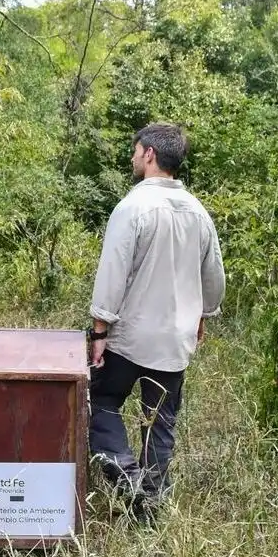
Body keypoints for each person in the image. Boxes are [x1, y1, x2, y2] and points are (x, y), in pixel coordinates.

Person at [87, 122, 225, 525]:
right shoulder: (199, 213)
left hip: (130, 337)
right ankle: (150, 510)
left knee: (102, 403)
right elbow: (213, 277)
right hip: (175, 341)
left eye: (135, 150)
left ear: (149, 153)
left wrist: (99, 331)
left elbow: (112, 273)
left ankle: (127, 478)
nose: (132, 157)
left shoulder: (133, 208)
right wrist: (202, 314)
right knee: (160, 423)